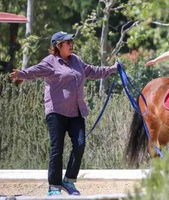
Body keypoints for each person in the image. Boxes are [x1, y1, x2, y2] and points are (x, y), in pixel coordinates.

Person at [9, 31, 117, 196]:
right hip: (56, 112)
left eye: (71, 42)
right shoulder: (50, 62)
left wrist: (112, 69)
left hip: (76, 111)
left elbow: (93, 71)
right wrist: (21, 74)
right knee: (57, 149)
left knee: (80, 144)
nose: (71, 44)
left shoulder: (76, 61)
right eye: (67, 42)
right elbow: (35, 71)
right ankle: (54, 186)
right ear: (58, 46)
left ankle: (69, 181)